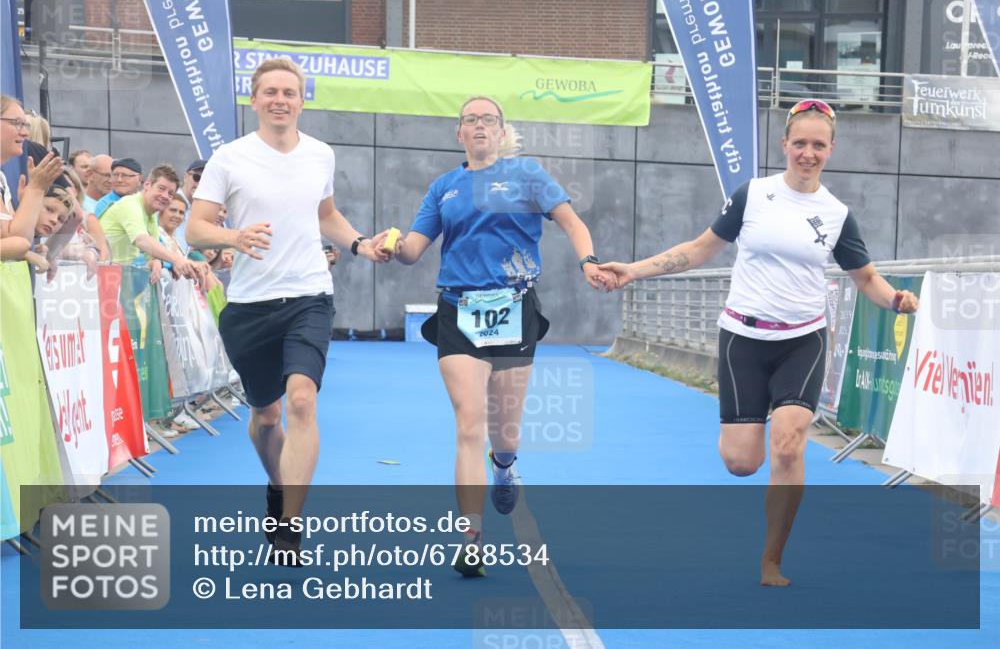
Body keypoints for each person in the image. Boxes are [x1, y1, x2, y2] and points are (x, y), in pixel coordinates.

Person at [598, 99, 919, 587]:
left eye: (818, 145)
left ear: (831, 150)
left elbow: (866, 278)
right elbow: (699, 250)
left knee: (789, 443)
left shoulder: (835, 214)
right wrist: (633, 271)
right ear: (784, 145)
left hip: (803, 340)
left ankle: (772, 559)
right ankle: (748, 432)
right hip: (742, 340)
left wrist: (895, 300)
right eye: (799, 143)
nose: (807, 153)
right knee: (742, 462)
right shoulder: (753, 195)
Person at [392, 95, 613, 577]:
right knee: (469, 424)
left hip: (513, 308)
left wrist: (588, 261)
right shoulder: (444, 188)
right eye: (469, 120)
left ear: (501, 131)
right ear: (459, 133)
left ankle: (506, 464)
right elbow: (413, 249)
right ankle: (470, 537)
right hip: (458, 309)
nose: (478, 127)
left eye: (487, 120)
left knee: (503, 430)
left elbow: (572, 222)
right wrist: (388, 246)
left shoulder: (528, 175)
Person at [187, 57, 394, 565]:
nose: (280, 100)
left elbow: (326, 215)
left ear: (303, 101)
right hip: (250, 306)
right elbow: (195, 229)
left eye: (290, 92)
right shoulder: (229, 158)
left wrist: (360, 243)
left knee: (302, 400)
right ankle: (278, 489)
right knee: (266, 415)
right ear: (254, 100)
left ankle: (291, 524)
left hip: (309, 296)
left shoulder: (320, 154)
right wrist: (233, 235)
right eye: (270, 92)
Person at [100, 163, 199, 284]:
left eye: (170, 193)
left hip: (116, 280)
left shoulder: (151, 214)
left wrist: (158, 261)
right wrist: (177, 260)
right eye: (161, 189)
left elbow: (152, 251)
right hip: (100, 279)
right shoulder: (130, 204)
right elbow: (142, 240)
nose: (165, 196)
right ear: (147, 185)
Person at [1, 95, 63, 259]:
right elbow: (17, 241)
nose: (25, 133)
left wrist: (30, 198)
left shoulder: (2, 179)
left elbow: (18, 240)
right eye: (16, 123)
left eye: (25, 125)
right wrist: (35, 189)